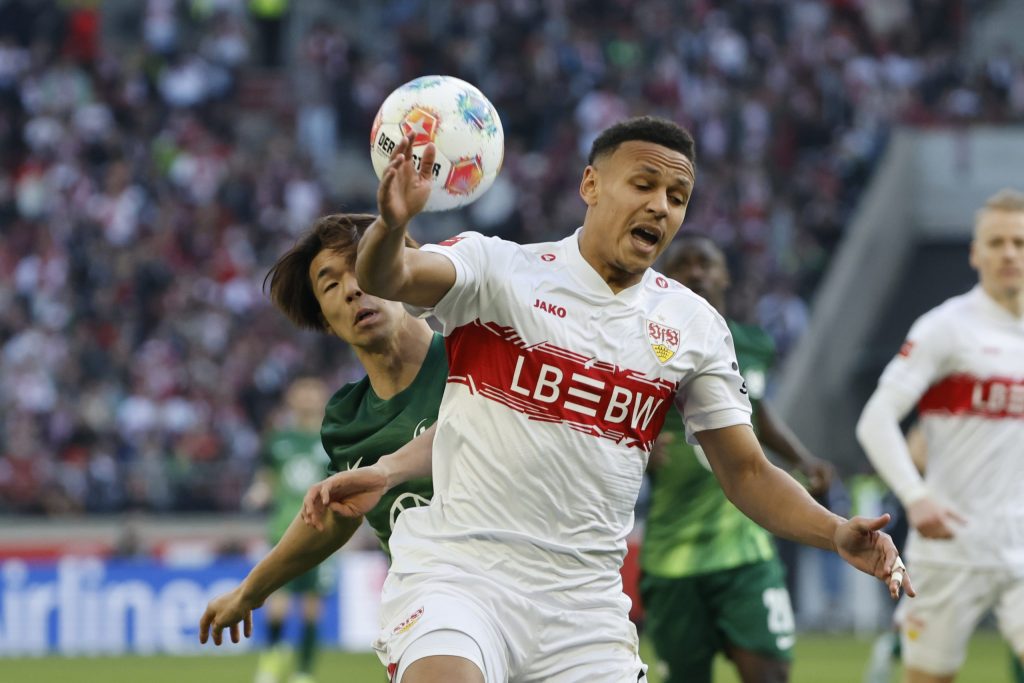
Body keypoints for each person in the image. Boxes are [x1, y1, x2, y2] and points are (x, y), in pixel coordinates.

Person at [306, 116, 912, 683]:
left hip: (585, 606)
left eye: (677, 197)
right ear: (590, 185)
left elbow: (747, 472)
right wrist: (390, 228)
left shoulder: (694, 327)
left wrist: (835, 531)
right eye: (643, 184)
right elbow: (391, 278)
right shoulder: (498, 270)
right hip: (461, 576)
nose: (661, 206)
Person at [198, 213, 445, 661]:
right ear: (326, 322)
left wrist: (386, 471)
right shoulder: (346, 421)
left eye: (363, 268)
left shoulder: (477, 356)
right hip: (432, 612)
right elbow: (334, 516)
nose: (351, 289)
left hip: (537, 589)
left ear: (404, 273)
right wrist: (250, 591)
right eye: (330, 285)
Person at [640, 234, 834, 683]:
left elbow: (758, 411)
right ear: (665, 279)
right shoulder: (639, 343)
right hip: (673, 555)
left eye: (706, 262)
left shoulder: (751, 345)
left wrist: (803, 459)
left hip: (745, 550)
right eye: (683, 264)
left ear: (724, 275)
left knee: (771, 675)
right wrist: (637, 445)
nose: (696, 272)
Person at [857, 188, 1024, 683]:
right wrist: (916, 497)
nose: (1009, 253)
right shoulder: (945, 328)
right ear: (975, 253)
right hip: (951, 549)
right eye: (996, 242)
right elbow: (875, 419)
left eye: (1019, 242)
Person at [243, 376, 332, 683]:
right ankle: (271, 663)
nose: (307, 396)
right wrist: (258, 492)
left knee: (311, 606)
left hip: (324, 534)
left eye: (312, 390)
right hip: (284, 530)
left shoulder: (333, 437)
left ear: (322, 397)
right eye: (301, 390)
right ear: (290, 398)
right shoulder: (278, 439)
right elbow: (267, 478)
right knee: (277, 603)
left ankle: (303, 673)